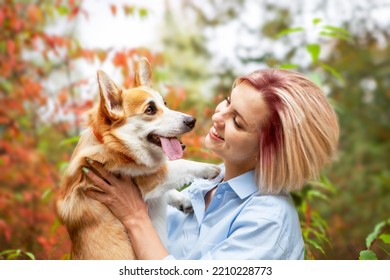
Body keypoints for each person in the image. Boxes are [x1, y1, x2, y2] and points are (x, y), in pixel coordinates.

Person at [83, 68, 339, 260]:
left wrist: (135, 217)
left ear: (268, 152)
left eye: (237, 122)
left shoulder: (267, 220)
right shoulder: (203, 188)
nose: (217, 117)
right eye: (228, 102)